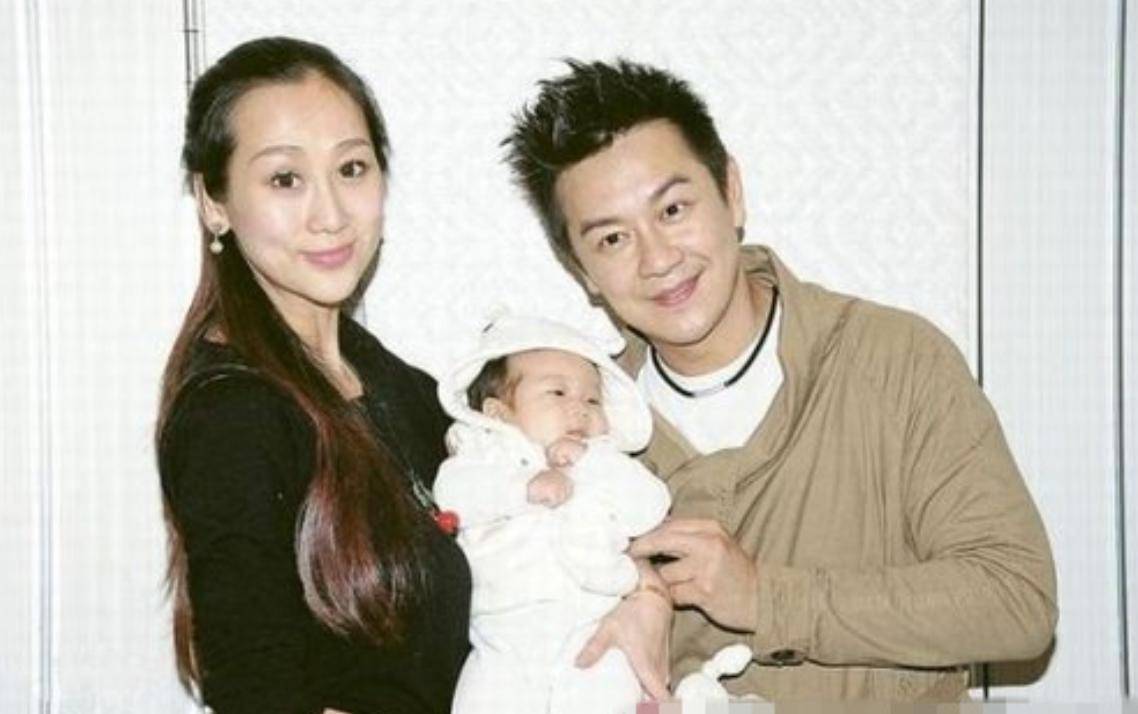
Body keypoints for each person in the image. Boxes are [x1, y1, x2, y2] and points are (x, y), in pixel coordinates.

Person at [502, 58, 1058, 701]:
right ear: (582, 272)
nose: (657, 259)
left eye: (673, 209)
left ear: (731, 191)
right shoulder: (575, 433)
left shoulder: (892, 360)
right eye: (612, 240)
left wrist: (766, 598)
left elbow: (1017, 600)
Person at [155, 37, 470, 713]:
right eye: (285, 179)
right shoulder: (232, 415)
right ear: (213, 201)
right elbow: (254, 693)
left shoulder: (394, 384)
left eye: (352, 168)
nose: (331, 215)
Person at [432, 313, 672, 714]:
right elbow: (453, 494)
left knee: (613, 692)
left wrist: (592, 463)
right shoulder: (482, 457)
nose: (580, 409)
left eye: (592, 400)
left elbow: (650, 507)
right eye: (557, 393)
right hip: (502, 638)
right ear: (498, 413)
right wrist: (521, 488)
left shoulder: (606, 461)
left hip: (595, 629)